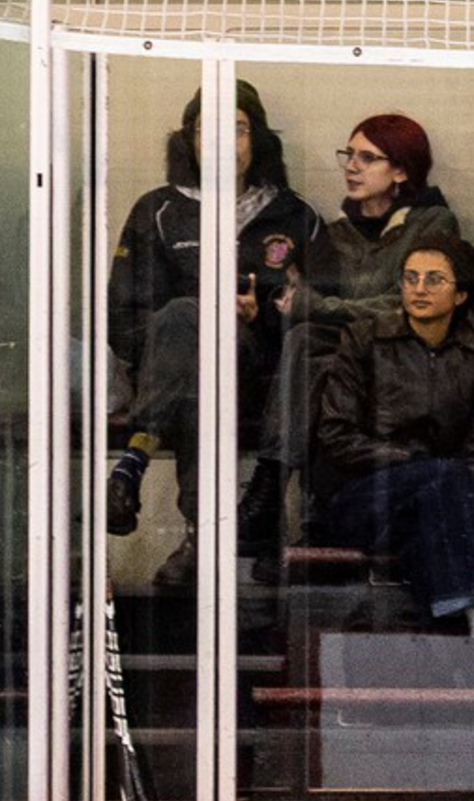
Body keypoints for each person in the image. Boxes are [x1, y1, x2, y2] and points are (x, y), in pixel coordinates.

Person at [101, 82, 322, 557]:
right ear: (189, 139)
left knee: (195, 335)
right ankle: (204, 538)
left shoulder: (294, 215)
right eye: (207, 129)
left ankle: (132, 462)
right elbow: (121, 311)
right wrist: (175, 347)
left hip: (257, 374)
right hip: (177, 370)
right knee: (193, 345)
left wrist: (259, 317)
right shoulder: (158, 209)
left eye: (237, 129)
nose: (222, 141)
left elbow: (316, 321)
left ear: (257, 138)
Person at [301, 232, 474, 635]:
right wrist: (415, 464)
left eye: (434, 279)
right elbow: (337, 435)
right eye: (410, 277)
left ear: (462, 295)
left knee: (433, 509)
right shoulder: (364, 339)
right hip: (364, 494)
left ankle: (445, 631)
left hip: (437, 506)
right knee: (443, 477)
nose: (418, 288)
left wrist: (447, 485)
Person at [291, 112, 465, 327]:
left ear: (401, 171)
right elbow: (304, 295)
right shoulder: (336, 232)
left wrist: (325, 309)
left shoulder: (432, 223)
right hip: (342, 348)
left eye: (367, 158)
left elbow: (404, 302)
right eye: (349, 154)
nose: (351, 167)